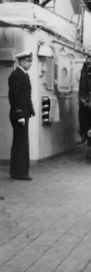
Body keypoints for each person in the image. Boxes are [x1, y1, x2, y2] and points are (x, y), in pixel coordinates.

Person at [8, 50, 34, 180]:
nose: (30, 64)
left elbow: (26, 95)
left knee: (22, 142)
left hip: (24, 113)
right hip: (19, 114)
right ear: (22, 61)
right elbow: (14, 97)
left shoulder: (24, 75)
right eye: (29, 62)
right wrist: (20, 115)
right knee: (20, 143)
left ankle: (20, 171)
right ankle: (18, 172)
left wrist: (30, 111)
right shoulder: (16, 75)